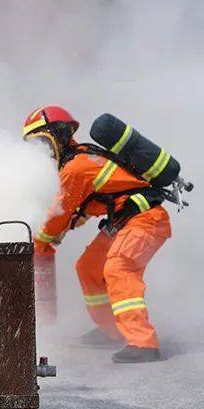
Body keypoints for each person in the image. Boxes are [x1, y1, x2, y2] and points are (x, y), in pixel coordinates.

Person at [22, 106, 170, 363]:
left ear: (59, 135)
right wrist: (53, 234)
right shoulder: (79, 161)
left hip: (145, 220)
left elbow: (60, 213)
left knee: (118, 268)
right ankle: (112, 329)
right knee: (88, 267)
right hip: (126, 221)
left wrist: (41, 242)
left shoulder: (77, 168)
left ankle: (143, 342)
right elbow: (78, 211)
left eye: (42, 142)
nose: (41, 151)